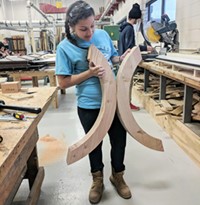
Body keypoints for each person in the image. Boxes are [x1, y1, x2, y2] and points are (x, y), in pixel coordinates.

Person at [55, 1, 131, 204]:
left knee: (119, 142)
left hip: (114, 101)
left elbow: (112, 58)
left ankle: (118, 176)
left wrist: (121, 58)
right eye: (83, 29)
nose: (90, 32)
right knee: (93, 145)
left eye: (92, 26)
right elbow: (62, 82)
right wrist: (89, 73)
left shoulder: (103, 35)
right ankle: (97, 181)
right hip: (89, 105)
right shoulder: (65, 48)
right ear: (72, 27)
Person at [118, 3, 153, 111]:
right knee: (128, 84)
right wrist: (145, 48)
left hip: (123, 61)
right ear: (137, 20)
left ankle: (125, 102)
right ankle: (127, 103)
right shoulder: (129, 29)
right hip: (127, 62)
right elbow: (130, 48)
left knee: (125, 84)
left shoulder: (123, 28)